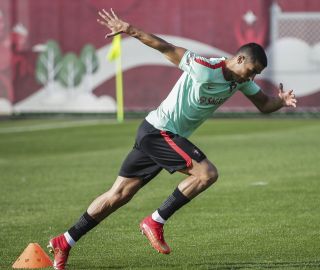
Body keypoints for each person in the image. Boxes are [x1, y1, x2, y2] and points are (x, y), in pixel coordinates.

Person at [47, 8, 297, 270]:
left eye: (256, 73)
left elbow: (264, 104)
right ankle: (155, 220)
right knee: (206, 174)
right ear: (240, 58)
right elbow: (164, 46)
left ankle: (65, 241)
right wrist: (129, 29)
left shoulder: (239, 82)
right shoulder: (204, 67)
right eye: (252, 70)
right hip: (159, 132)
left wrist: (280, 101)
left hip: (159, 134)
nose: (252, 77)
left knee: (118, 195)